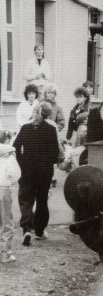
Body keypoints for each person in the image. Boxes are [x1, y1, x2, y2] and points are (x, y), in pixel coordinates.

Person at [13, 101, 60, 245]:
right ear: (48, 114)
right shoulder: (51, 129)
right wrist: (48, 162)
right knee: (42, 200)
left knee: (26, 199)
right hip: (44, 171)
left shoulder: (25, 128)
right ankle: (39, 231)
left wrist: (21, 162)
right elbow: (55, 152)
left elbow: (15, 146)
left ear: (34, 112)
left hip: (27, 169)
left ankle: (27, 229)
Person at [0, 132, 20, 264]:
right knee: (6, 222)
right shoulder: (10, 158)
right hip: (3, 188)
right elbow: (15, 175)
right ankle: (5, 254)